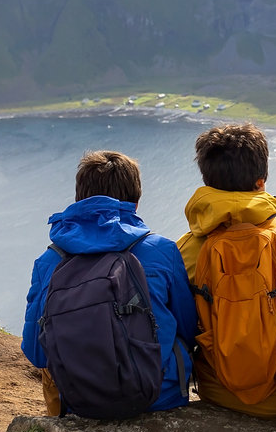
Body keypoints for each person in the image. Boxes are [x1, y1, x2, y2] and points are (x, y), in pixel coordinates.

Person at [22, 150, 197, 417]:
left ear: (80, 199)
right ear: (135, 203)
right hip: (161, 395)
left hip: (82, 402)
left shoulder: (49, 261)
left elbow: (37, 352)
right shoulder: (163, 251)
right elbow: (187, 329)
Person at [177, 123, 276, 418]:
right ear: (261, 182)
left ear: (207, 182)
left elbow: (180, 327)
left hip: (214, 394)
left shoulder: (186, 249)